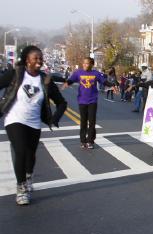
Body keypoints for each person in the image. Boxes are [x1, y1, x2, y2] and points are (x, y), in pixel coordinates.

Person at [0, 45, 67, 205]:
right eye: (35, 58)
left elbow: (61, 103)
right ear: (27, 60)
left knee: (30, 155)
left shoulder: (45, 80)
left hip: (34, 122)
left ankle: (28, 176)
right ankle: (21, 188)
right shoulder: (15, 74)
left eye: (40, 58)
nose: (39, 61)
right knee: (21, 151)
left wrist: (54, 119)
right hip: (14, 119)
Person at [63, 57, 117, 149]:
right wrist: (66, 83)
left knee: (92, 122)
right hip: (82, 101)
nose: (84, 65)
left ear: (92, 64)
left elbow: (104, 82)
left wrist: (112, 86)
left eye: (87, 63)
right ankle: (83, 140)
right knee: (83, 122)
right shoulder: (78, 73)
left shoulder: (96, 73)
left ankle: (90, 141)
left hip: (92, 100)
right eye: (83, 63)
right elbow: (71, 79)